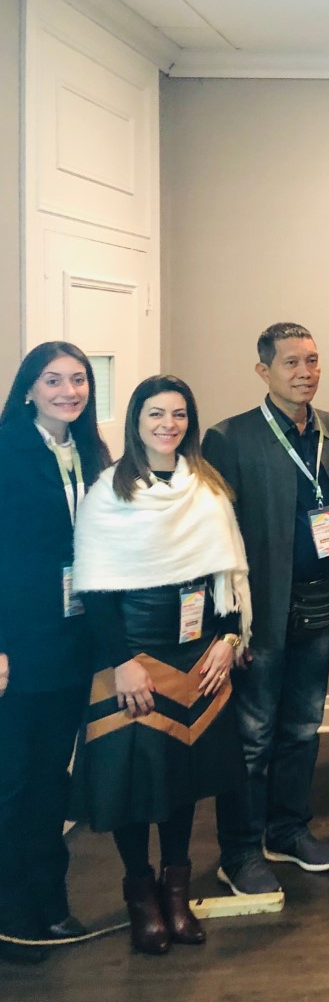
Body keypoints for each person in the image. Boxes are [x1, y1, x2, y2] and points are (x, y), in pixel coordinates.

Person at [71, 375, 251, 955]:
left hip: (197, 652)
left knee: (182, 781)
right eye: (155, 414)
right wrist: (122, 662)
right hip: (133, 655)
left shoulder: (208, 486)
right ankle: (141, 895)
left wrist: (229, 638)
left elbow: (227, 573)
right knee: (133, 784)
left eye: (178, 414)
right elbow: (96, 590)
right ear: (136, 421)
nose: (168, 425)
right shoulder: (108, 491)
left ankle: (177, 892)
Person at [204, 322, 329, 896]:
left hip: (318, 604)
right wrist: (229, 628)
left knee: (303, 728)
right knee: (253, 736)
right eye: (291, 363)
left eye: (312, 361)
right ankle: (239, 852)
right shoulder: (229, 438)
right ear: (263, 371)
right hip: (260, 613)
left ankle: (287, 831)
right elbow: (216, 540)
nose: (305, 373)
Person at [0, 342, 109, 964]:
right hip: (18, 645)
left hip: (71, 642)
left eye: (78, 380)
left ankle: (49, 901)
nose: (69, 391)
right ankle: (11, 914)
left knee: (50, 779)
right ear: (28, 389)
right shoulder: (7, 451)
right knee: (10, 782)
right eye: (53, 380)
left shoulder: (92, 454)